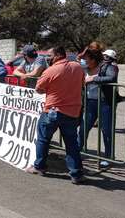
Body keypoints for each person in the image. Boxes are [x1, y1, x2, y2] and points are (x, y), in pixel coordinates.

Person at [26, 46, 86, 184]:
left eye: (50, 55)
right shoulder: (78, 68)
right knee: (72, 144)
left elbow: (39, 89)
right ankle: (76, 174)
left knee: (43, 139)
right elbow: (82, 83)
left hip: (53, 111)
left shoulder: (51, 70)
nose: (48, 58)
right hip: (72, 112)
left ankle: (39, 167)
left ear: (59, 55)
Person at [78, 49, 118, 168]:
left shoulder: (108, 67)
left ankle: (108, 157)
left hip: (105, 103)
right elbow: (77, 60)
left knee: (106, 131)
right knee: (84, 128)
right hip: (90, 102)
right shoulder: (84, 68)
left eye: (86, 59)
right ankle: (76, 152)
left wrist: (94, 78)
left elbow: (111, 78)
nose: (84, 61)